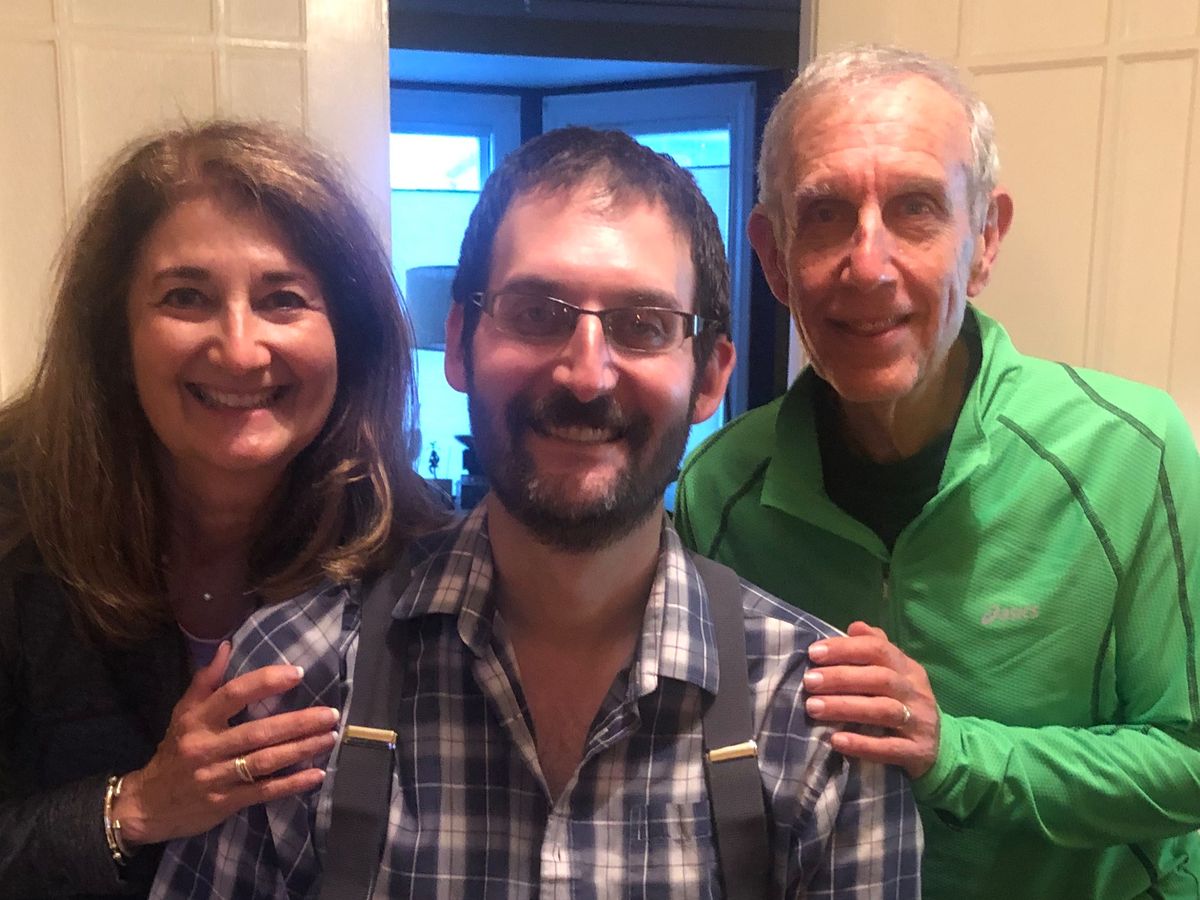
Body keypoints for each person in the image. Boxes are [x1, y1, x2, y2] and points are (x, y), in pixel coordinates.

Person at [154, 126, 923, 899]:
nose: (586, 375)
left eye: (644, 326)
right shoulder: (297, 679)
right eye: (534, 313)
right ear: (460, 343)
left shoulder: (818, 727)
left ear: (710, 376)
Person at [674, 45, 1200, 899]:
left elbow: (1191, 764)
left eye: (915, 208)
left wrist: (956, 753)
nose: (868, 264)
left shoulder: (1134, 453)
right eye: (825, 213)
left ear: (984, 240)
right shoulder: (719, 488)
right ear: (773, 256)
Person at [0, 120, 446, 899]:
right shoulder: (13, 522)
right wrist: (132, 808)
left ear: (349, 336)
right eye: (186, 297)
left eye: (283, 300)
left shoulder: (415, 553)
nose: (240, 350)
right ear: (115, 336)